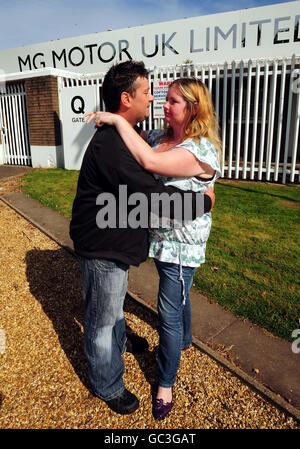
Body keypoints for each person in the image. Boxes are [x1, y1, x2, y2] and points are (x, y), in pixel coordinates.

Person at [70, 61, 215, 417]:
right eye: (149, 93)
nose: (155, 100)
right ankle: (108, 384)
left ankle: (123, 341)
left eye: (170, 99)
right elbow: (153, 194)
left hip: (124, 242)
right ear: (126, 98)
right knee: (101, 319)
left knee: (115, 304)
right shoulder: (116, 145)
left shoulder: (131, 136)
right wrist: (204, 201)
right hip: (104, 243)